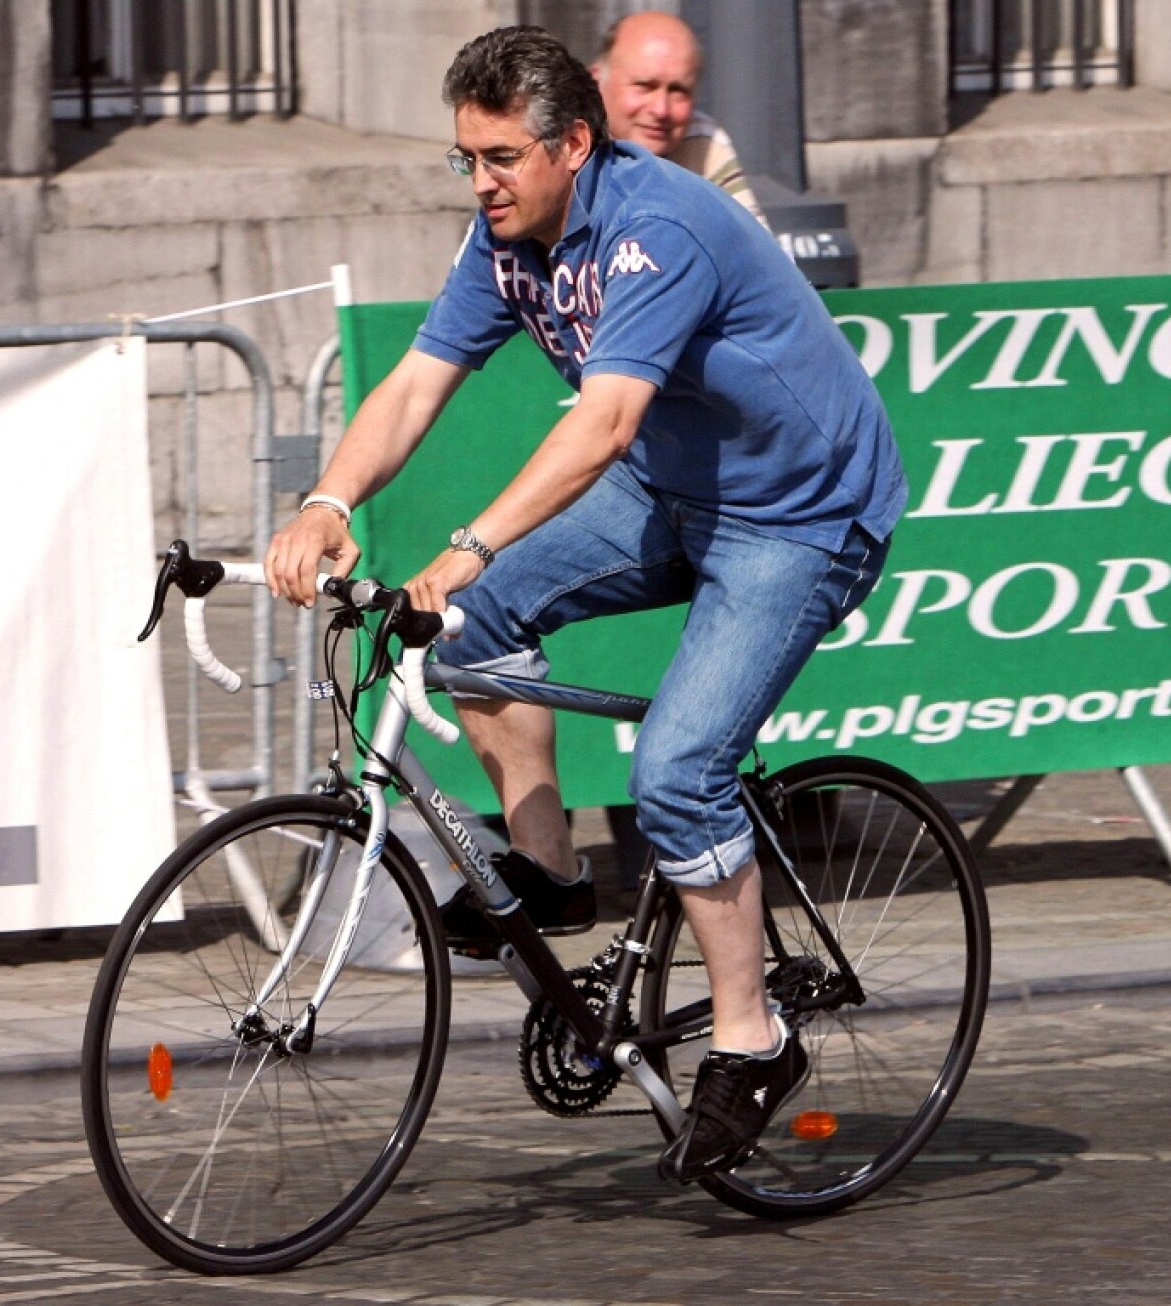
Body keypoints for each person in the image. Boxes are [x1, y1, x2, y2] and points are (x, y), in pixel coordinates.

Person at [265, 25, 906, 1183]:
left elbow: (602, 422)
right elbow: (415, 383)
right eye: (465, 158)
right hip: (679, 489)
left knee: (675, 772)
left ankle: (752, 1043)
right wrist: (326, 498)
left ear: (573, 143)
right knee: (471, 629)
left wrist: (467, 542)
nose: (481, 181)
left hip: (804, 515)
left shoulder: (655, 230)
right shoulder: (506, 236)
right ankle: (554, 875)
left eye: (501, 157)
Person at [591, 10, 768, 227]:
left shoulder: (702, 143)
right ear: (596, 81)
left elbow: (758, 251)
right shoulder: (558, 141)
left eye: (678, 91)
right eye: (645, 86)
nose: (661, 110)